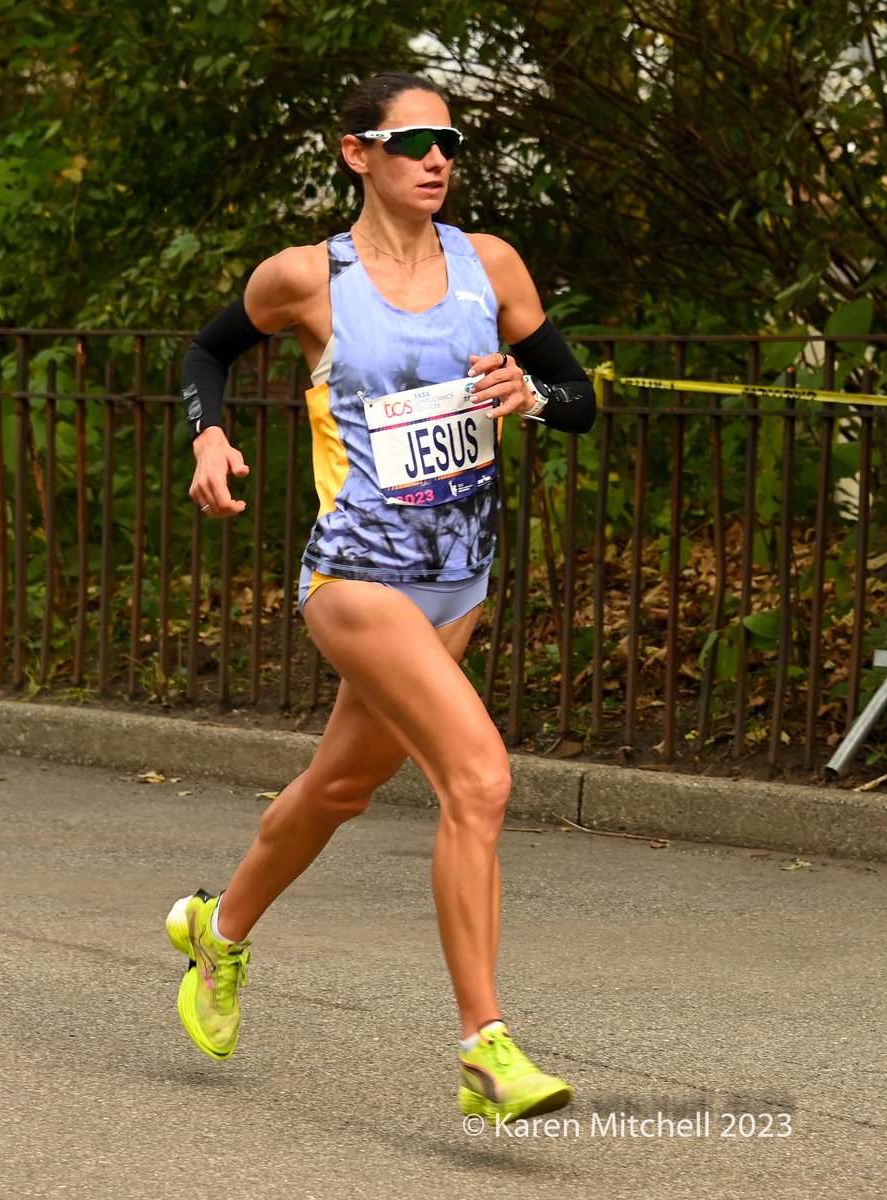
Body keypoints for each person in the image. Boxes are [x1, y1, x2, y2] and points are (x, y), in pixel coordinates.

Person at [167, 71, 596, 1123]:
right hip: (355, 574)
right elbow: (208, 350)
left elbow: (577, 400)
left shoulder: (489, 267)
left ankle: (214, 933)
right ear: (358, 152)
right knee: (479, 780)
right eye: (413, 142)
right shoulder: (310, 279)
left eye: (448, 140)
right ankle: (486, 1049)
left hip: (459, 583)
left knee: (340, 788)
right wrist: (209, 433)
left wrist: (530, 394)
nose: (438, 157)